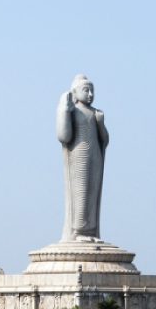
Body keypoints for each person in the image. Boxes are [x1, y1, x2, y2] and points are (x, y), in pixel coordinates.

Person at [56, 75, 109, 242]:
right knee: (80, 192)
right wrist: (64, 109)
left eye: (92, 90)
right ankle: (78, 230)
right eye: (86, 90)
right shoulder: (73, 111)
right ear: (75, 92)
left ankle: (91, 231)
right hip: (79, 155)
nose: (90, 94)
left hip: (95, 156)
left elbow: (105, 140)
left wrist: (100, 123)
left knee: (93, 192)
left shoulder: (95, 113)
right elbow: (64, 136)